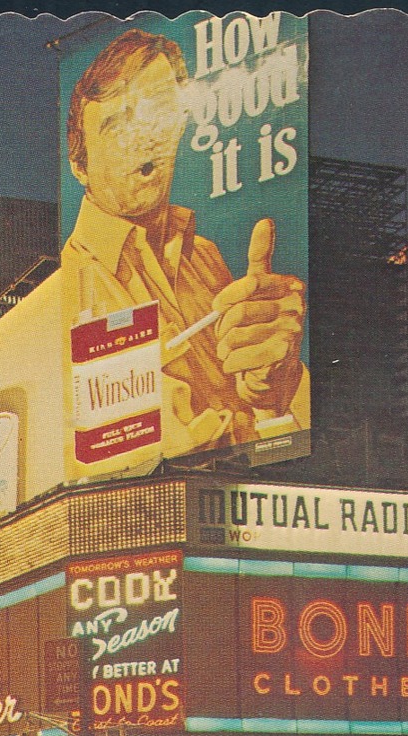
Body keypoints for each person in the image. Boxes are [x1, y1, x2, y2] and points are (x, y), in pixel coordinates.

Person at [63, 27, 309, 456]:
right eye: (116, 126)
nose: (142, 139)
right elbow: (165, 453)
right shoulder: (75, 287)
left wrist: (271, 396)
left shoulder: (204, 254)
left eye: (156, 114)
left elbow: (273, 433)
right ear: (80, 166)